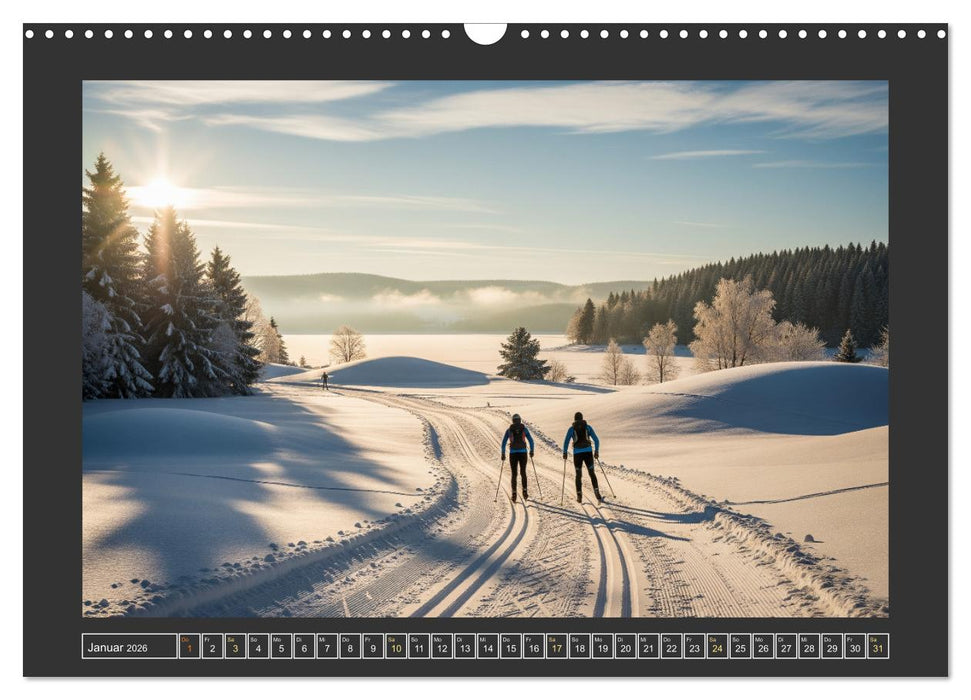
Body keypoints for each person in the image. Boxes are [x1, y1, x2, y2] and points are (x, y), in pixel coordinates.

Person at [563, 411, 602, 504]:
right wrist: (596, 451)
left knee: (578, 474)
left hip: (577, 454)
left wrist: (565, 452)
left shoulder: (571, 429)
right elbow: (596, 440)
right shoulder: (588, 427)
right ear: (582, 418)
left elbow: (566, 441)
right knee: (591, 473)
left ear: (575, 419)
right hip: (588, 452)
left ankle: (579, 495)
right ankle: (596, 491)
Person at [501, 413, 535, 503]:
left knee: (514, 473)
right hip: (523, 453)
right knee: (523, 472)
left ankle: (514, 493)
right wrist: (531, 451)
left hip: (513, 454)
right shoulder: (524, 429)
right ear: (520, 420)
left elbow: (503, 443)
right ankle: (525, 491)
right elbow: (531, 441)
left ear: (512, 420)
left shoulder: (509, 430)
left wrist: (503, 453)